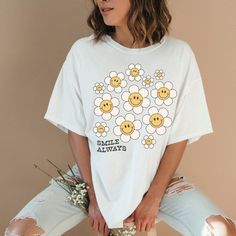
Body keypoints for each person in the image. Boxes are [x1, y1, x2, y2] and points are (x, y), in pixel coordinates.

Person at [4, 0, 236, 235]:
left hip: (155, 178)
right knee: (20, 231)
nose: (100, 0)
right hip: (88, 177)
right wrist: (93, 196)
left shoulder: (178, 55)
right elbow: (76, 130)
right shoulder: (83, 52)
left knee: (221, 230)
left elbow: (180, 136)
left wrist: (153, 198)